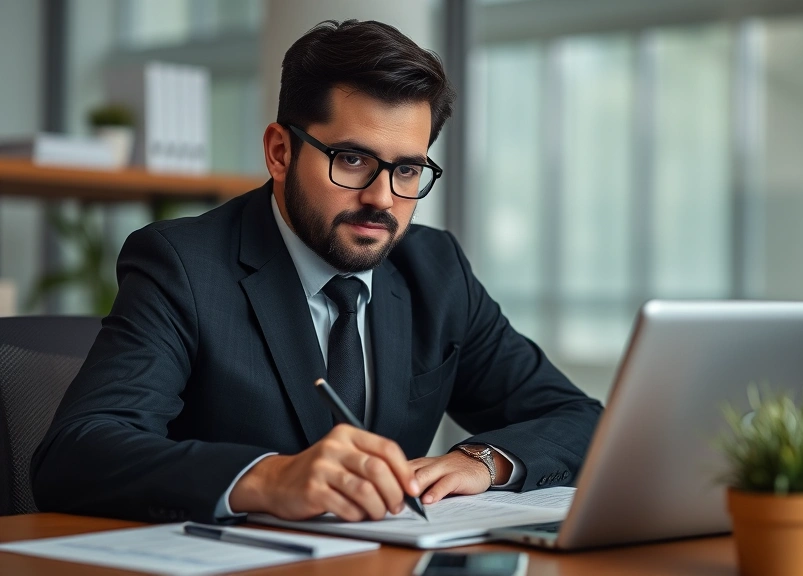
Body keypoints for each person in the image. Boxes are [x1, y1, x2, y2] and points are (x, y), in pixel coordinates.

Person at [31, 19, 602, 525]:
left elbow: (580, 419)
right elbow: (78, 452)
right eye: (352, 160)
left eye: (407, 170)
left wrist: (483, 460)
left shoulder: (436, 270)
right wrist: (268, 480)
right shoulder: (183, 264)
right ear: (280, 152)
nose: (382, 198)